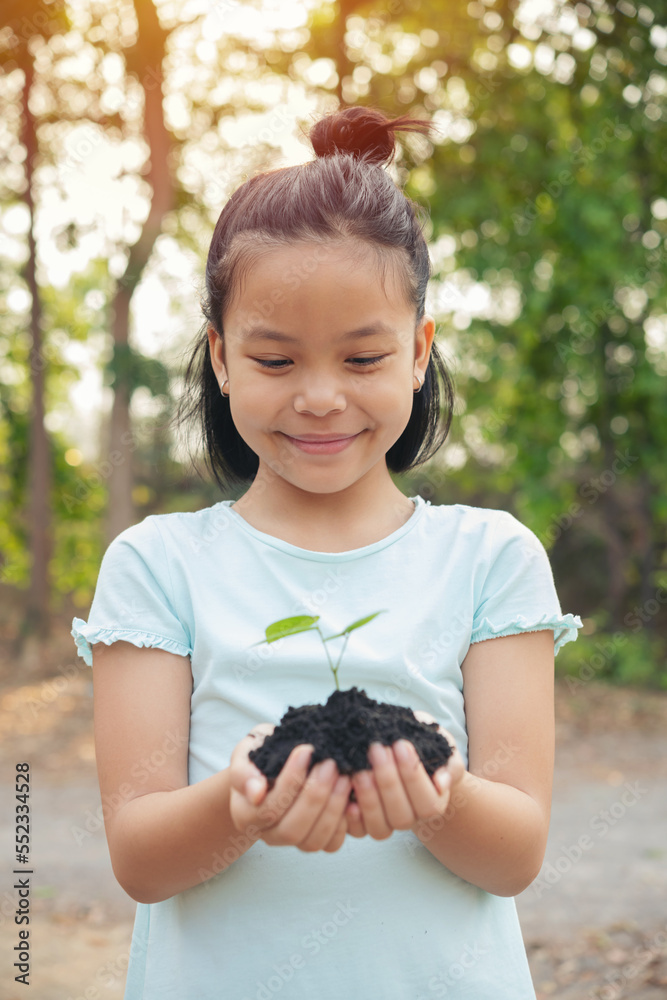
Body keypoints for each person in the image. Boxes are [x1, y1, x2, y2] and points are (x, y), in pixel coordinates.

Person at [72, 105, 583, 1000]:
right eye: (274, 362)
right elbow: (141, 857)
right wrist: (240, 805)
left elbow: (515, 852)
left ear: (417, 354)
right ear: (221, 358)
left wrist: (437, 796)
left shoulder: (490, 559)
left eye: (361, 359)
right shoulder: (157, 566)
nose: (317, 398)